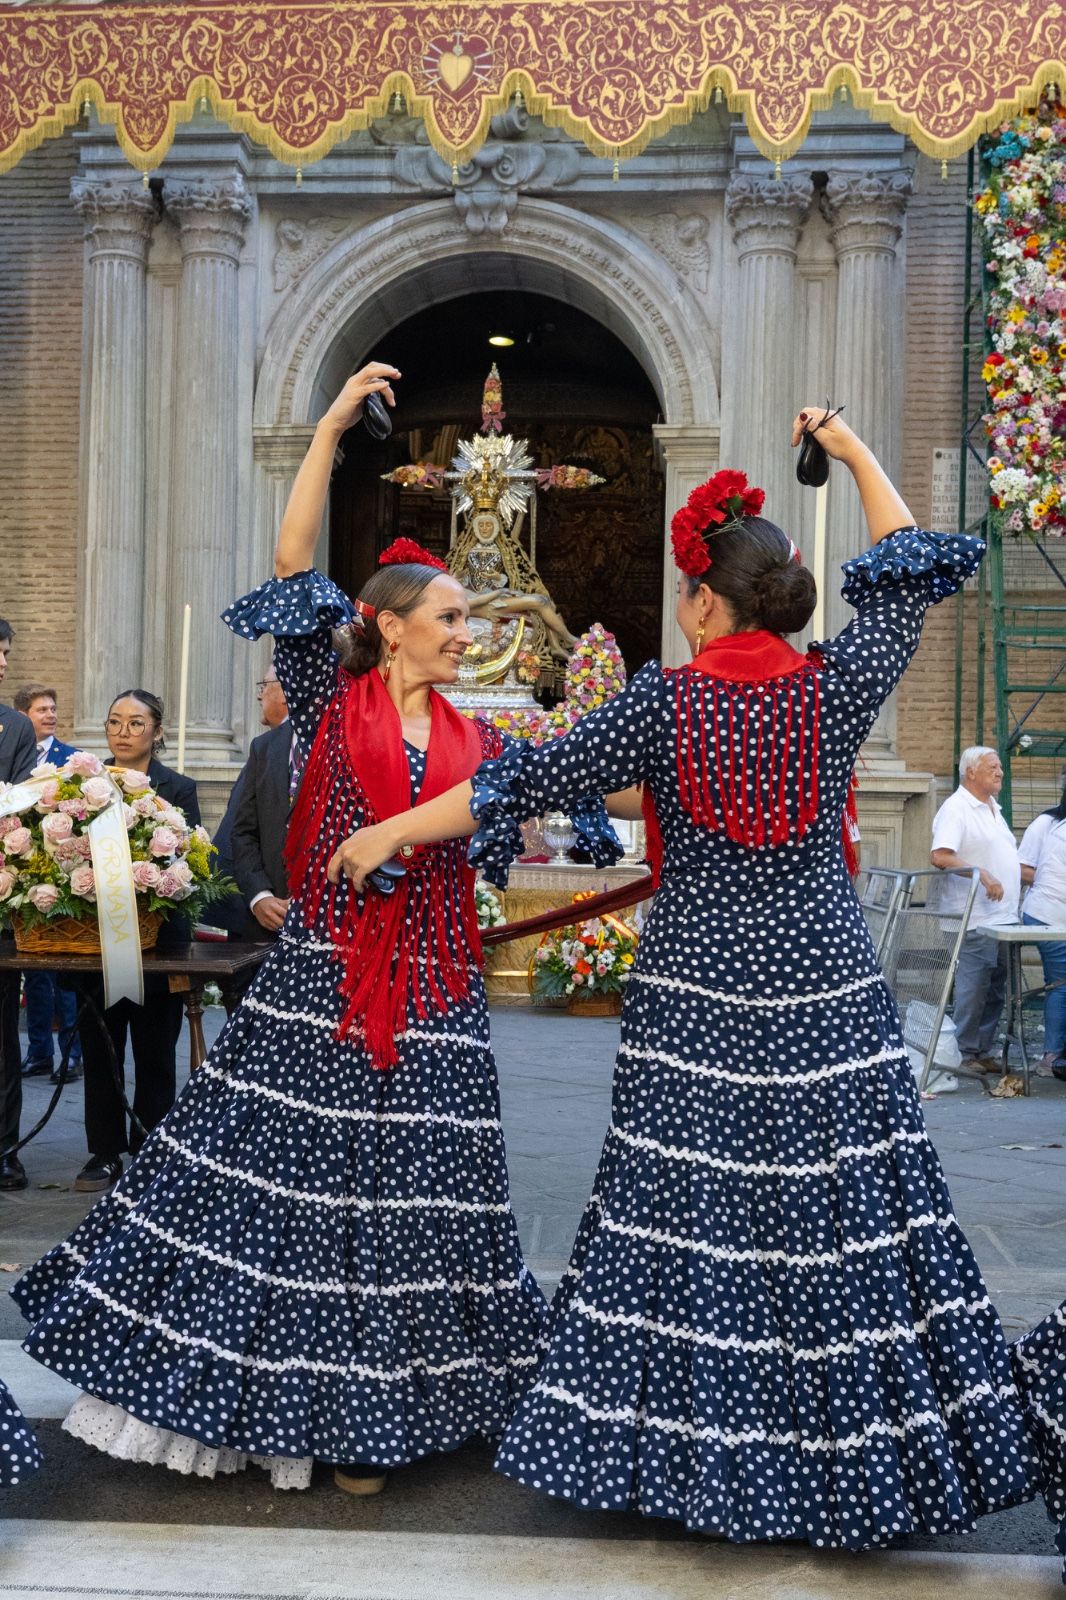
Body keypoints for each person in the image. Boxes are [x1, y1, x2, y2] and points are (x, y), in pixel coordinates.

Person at [334, 410, 1066, 1553]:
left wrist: (385, 836)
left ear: (702, 603)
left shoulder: (660, 706)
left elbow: (507, 784)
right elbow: (911, 567)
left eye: (684, 595)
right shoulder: (833, 690)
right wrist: (854, 446)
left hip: (696, 1004)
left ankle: (694, 1464)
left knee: (688, 1220)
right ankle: (851, 1470)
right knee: (838, 1222)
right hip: (823, 997)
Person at [12, 363, 553, 1497]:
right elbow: (291, 563)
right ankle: (294, 1405)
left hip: (434, 996)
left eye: (469, 615)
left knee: (415, 1198)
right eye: (451, 617)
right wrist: (324, 432)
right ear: (391, 627)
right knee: (292, 1195)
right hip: (321, 985)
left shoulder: (482, 743)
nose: (471, 631)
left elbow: (485, 852)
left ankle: (391, 1413)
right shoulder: (331, 701)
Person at [72, 690, 200, 1193]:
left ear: (157, 731)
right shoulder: (82, 786)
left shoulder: (178, 787)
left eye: (136, 723)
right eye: (115, 722)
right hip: (94, 940)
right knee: (101, 1047)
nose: (124, 732)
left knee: (154, 1050)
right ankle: (103, 1152)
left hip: (159, 941)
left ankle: (151, 1145)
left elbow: (190, 856)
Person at [931, 747, 1020, 1075]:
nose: (1000, 772)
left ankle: (981, 1049)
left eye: (1000, 767)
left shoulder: (992, 807)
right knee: (974, 987)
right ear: (971, 772)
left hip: (1002, 917)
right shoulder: (957, 808)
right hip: (974, 919)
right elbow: (940, 856)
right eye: (992, 767)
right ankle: (965, 1053)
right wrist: (981, 873)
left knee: (996, 986)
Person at [13, 684, 83, 1083]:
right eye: (42, 709)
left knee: (63, 971)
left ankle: (70, 1054)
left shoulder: (71, 758)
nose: (50, 715)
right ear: (24, 715)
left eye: (53, 708)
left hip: (64, 871)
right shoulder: (14, 755)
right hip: (27, 871)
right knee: (35, 973)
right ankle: (38, 1052)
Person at [0, 633, 44, 1192]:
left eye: (7, 652)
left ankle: (4, 1148)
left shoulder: (14, 728)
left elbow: (20, 801)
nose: (6, 661)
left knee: (1, 1035)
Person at [209, 661, 294, 942]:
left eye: (265, 686)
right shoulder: (264, 746)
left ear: (285, 691)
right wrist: (259, 896)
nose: (259, 695)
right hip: (256, 915)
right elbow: (241, 828)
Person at [1018, 765, 1066, 1080]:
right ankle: (1052, 1056)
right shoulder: (1046, 823)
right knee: (1062, 982)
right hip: (1047, 914)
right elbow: (1022, 868)